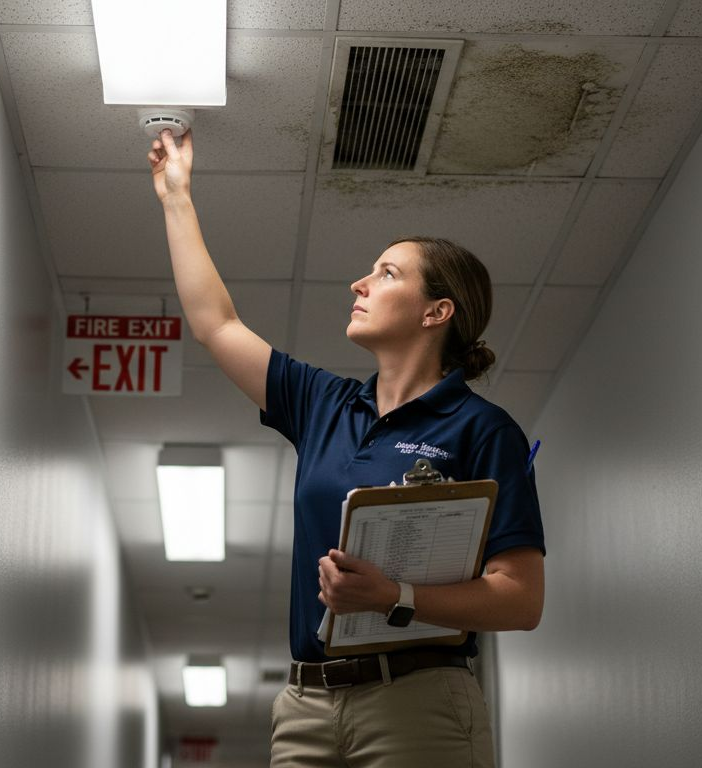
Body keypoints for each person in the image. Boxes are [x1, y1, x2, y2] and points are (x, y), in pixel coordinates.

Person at [147, 128, 545, 768]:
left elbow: (521, 599)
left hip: (418, 702)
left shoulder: (482, 430)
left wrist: (396, 597)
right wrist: (176, 198)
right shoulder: (324, 404)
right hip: (305, 705)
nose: (359, 284)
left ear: (435, 312)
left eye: (386, 273)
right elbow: (216, 325)